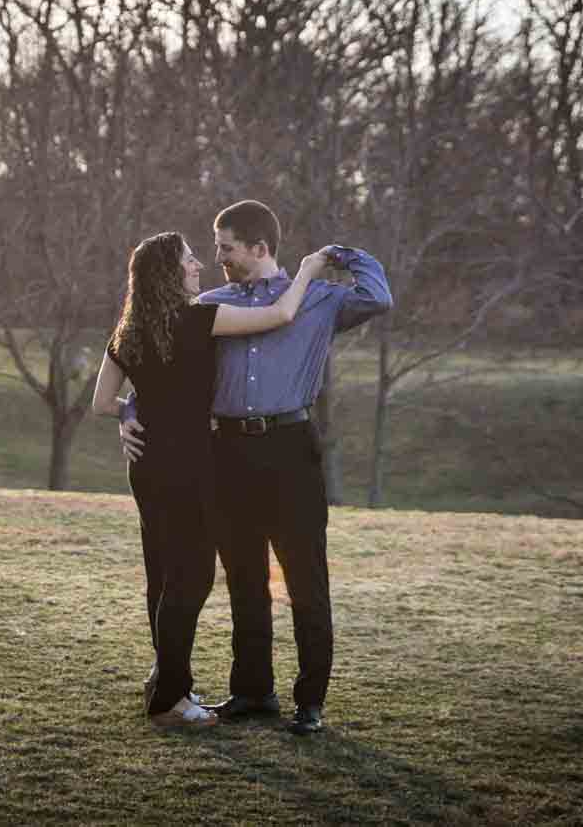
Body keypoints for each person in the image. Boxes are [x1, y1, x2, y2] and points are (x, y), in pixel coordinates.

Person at [120, 200, 392, 736]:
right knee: (244, 578)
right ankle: (252, 692)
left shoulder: (319, 298)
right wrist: (128, 409)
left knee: (306, 579)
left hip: (291, 447)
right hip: (225, 454)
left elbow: (380, 297)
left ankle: (310, 700)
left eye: (225, 247)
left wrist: (338, 256)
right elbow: (157, 364)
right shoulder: (210, 304)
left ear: (259, 248)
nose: (217, 257)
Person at [87, 230, 335, 728]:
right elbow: (281, 314)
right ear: (170, 273)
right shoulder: (201, 319)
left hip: (148, 465)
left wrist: (130, 414)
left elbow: (101, 403)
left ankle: (165, 679)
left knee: (163, 571)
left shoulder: (129, 331)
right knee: (191, 577)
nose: (199, 265)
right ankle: (170, 701)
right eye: (189, 259)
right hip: (192, 466)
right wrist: (308, 270)